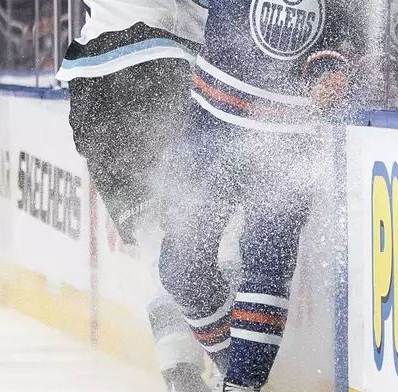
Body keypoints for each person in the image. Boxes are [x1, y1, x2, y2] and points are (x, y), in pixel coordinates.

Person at [156, 0, 365, 390]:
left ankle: (240, 384)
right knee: (180, 268)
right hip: (209, 128)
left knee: (266, 265)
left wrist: (331, 73)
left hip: (289, 139)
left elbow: (335, 37)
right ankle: (229, 362)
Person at [54, 0, 214, 391]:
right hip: (163, 58)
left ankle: (181, 373)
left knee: (154, 241)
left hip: (92, 77)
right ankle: (232, 368)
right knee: (204, 229)